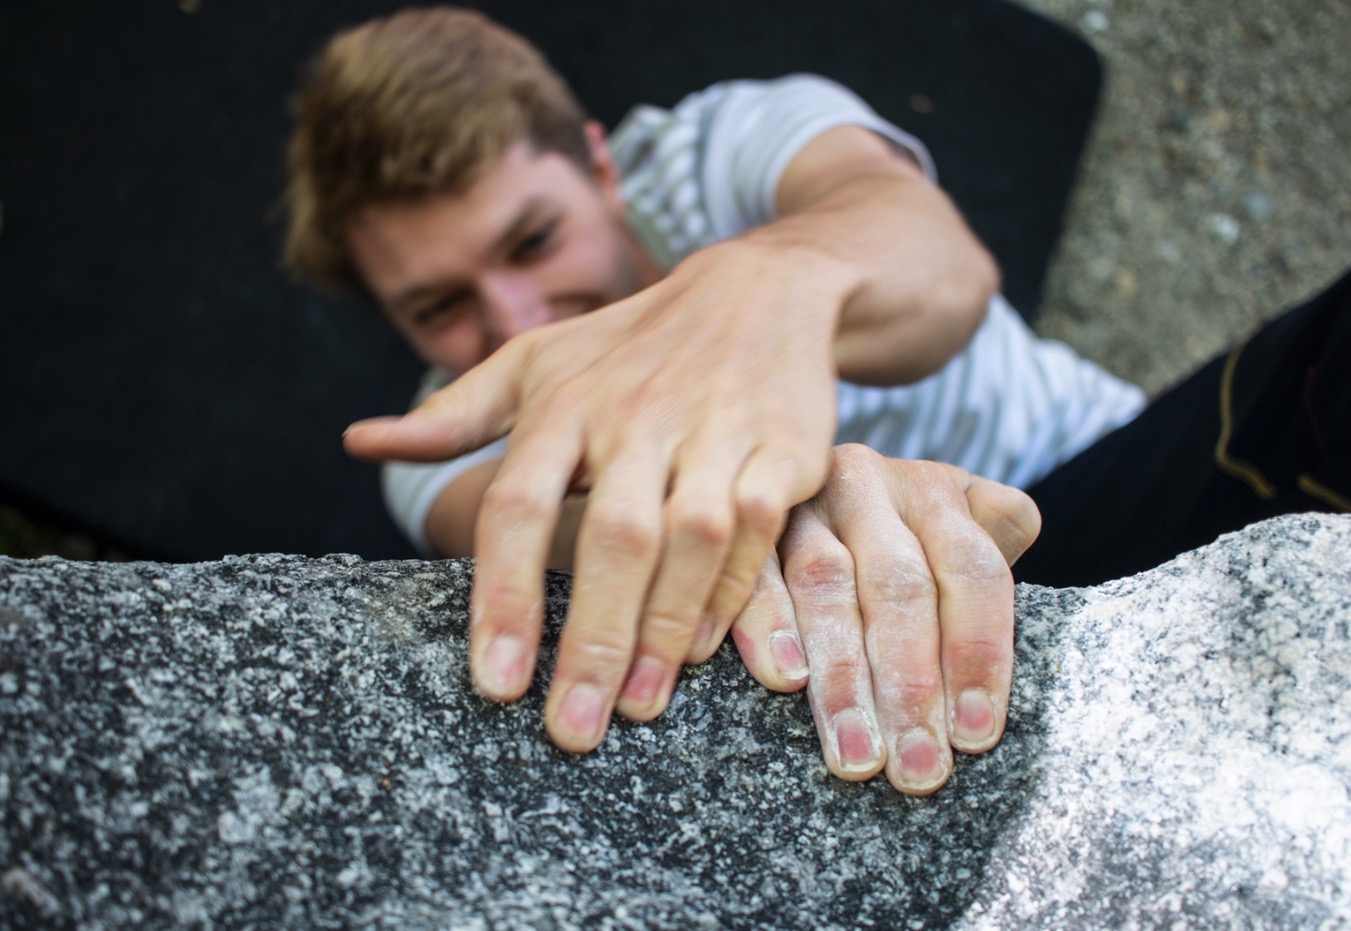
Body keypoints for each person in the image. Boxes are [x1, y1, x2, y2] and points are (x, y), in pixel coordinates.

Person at [282, 7, 1349, 793]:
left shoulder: (717, 150)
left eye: (532, 238)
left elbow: (942, 269)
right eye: (437, 306)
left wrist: (765, 280)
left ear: (603, 167)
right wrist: (785, 501)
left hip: (1084, 465)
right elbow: (559, 532)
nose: (516, 320)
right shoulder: (439, 433)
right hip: (891, 627)